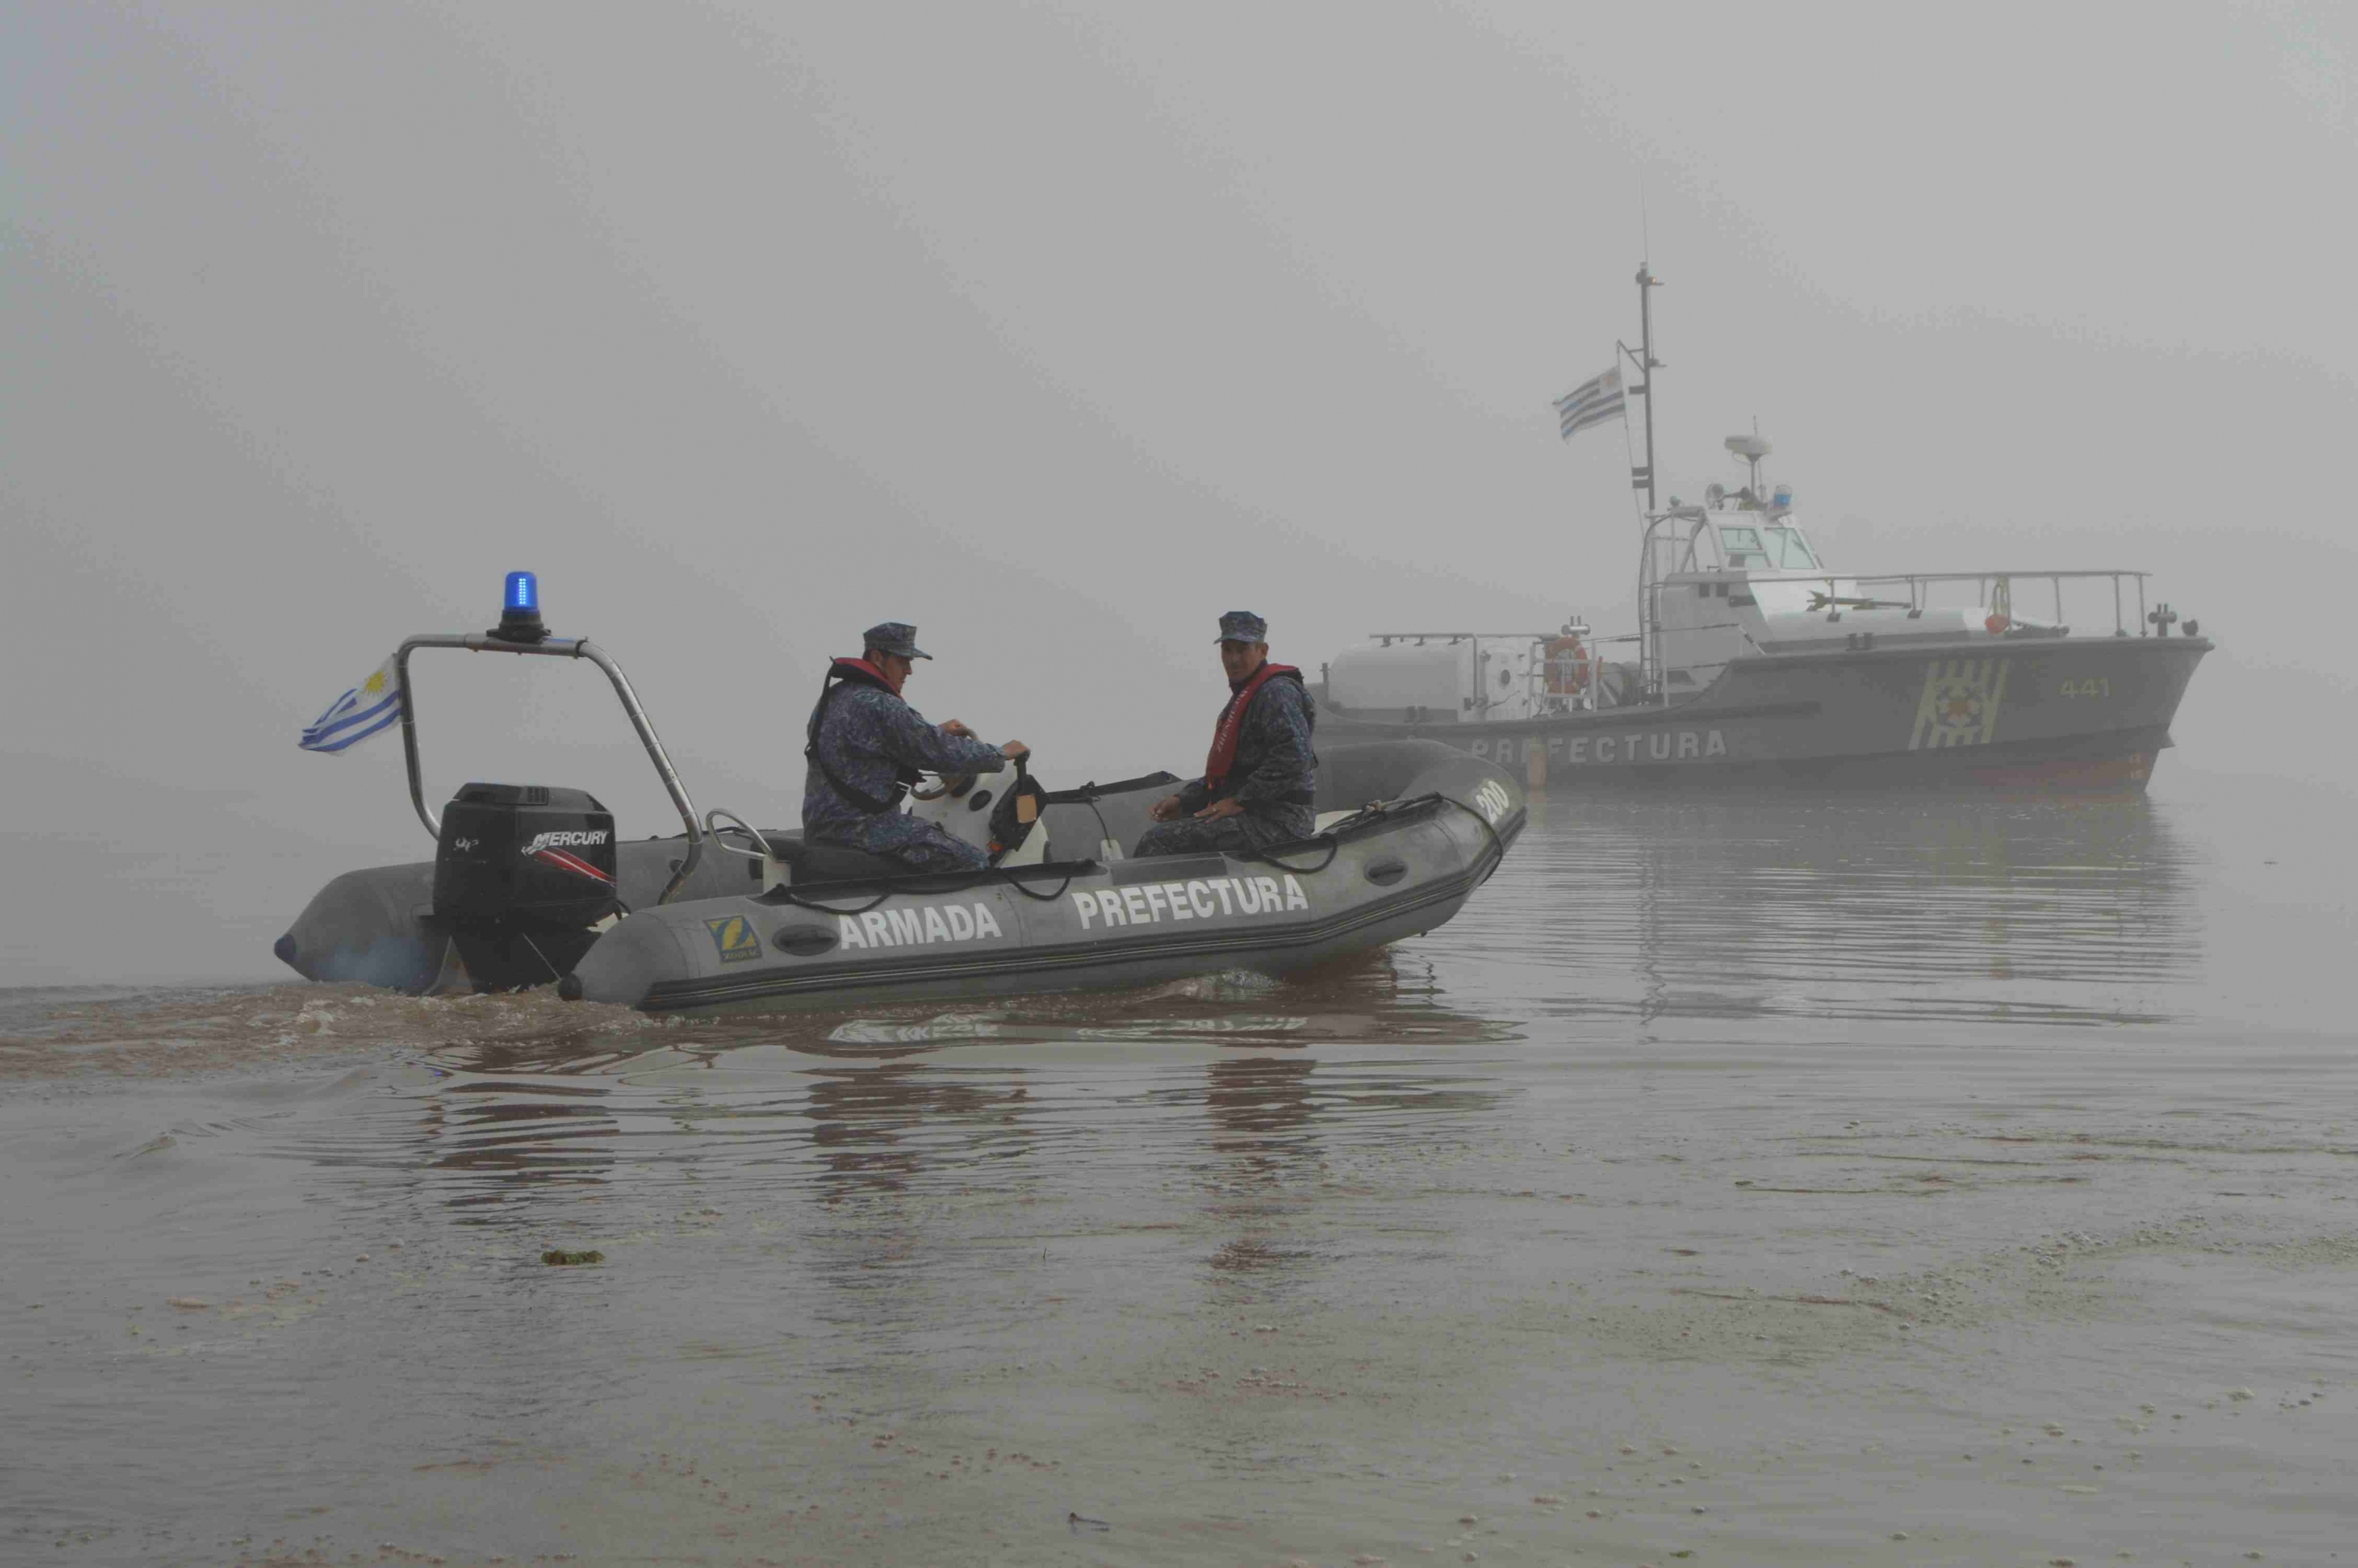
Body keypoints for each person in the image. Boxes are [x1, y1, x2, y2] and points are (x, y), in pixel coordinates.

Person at [803, 622, 1027, 872]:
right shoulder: (878, 704)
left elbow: (866, 750)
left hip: (822, 828)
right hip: (867, 830)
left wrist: (933, 733)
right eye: (902, 661)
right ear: (878, 657)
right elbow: (937, 751)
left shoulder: (833, 699)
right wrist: (1001, 753)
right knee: (973, 861)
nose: (909, 671)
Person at [1133, 611, 1317, 858]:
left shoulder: (1276, 693)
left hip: (1279, 820)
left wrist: (1239, 800)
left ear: (1262, 650)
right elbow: (1227, 773)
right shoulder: (1245, 698)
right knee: (1174, 829)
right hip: (1255, 812)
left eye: (1242, 650)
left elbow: (1294, 757)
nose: (1233, 659)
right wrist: (1184, 800)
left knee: (1158, 841)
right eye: (1227, 650)